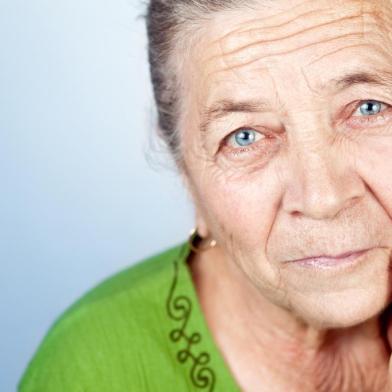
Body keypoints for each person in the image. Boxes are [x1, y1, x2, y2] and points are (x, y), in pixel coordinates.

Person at [19, 0, 392, 390]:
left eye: (369, 108)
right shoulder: (90, 371)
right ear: (188, 179)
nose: (323, 198)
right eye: (244, 137)